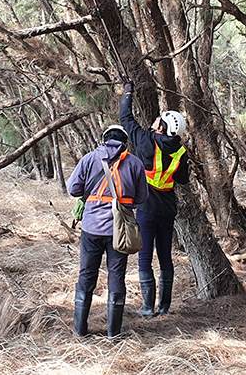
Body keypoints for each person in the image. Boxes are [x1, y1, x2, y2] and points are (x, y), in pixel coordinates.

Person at [68, 124, 148, 338]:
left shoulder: (89, 159)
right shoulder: (134, 163)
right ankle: (113, 333)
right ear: (125, 142)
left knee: (86, 275)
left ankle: (79, 331)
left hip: (92, 227)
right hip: (119, 229)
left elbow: (72, 188)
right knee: (117, 276)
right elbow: (142, 198)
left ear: (104, 139)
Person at [119, 81, 188, 317]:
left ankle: (148, 307)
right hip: (168, 209)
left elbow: (126, 119)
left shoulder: (147, 142)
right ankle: (164, 306)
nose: (155, 120)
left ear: (163, 127)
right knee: (165, 257)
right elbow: (184, 179)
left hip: (147, 207)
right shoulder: (180, 152)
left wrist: (128, 93)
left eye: (160, 120)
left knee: (145, 257)